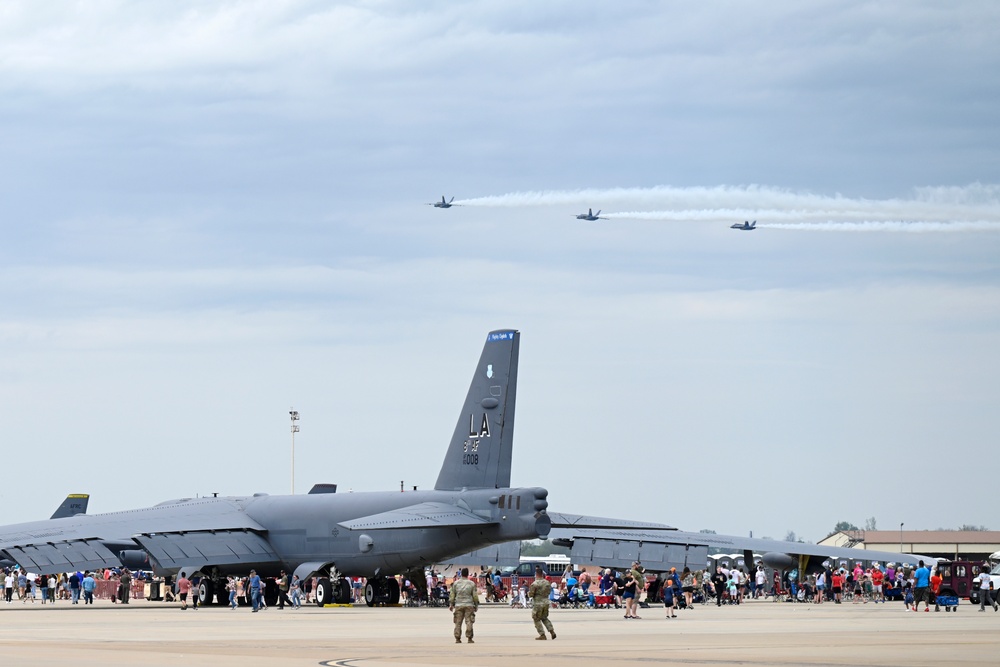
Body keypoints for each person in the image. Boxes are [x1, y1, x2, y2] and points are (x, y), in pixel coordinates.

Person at [448, 567, 479, 644]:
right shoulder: (471, 583)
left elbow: (452, 595)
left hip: (458, 605)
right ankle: (469, 638)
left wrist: (451, 604)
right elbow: (475, 596)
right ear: (468, 574)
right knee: (469, 621)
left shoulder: (456, 583)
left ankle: (457, 638)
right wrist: (476, 605)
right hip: (469, 605)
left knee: (458, 622)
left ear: (461, 574)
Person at [528, 566, 557, 639]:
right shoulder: (547, 583)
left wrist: (529, 593)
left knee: (536, 619)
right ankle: (552, 631)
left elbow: (531, 594)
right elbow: (549, 591)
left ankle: (542, 634)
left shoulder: (535, 584)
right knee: (544, 618)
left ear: (536, 574)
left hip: (538, 603)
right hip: (546, 602)